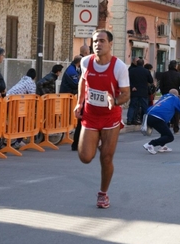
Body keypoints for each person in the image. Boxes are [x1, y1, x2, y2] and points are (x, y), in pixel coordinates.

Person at [74, 29, 130, 209]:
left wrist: (114, 101)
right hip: (90, 115)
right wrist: (79, 103)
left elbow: (126, 94)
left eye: (102, 41)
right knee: (85, 157)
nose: (98, 44)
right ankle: (99, 143)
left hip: (110, 117)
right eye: (95, 41)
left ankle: (103, 193)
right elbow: (83, 81)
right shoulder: (85, 62)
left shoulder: (119, 67)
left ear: (110, 44)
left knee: (106, 157)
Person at [143, 89, 180, 154]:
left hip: (149, 115)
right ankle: (151, 144)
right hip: (158, 117)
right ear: (177, 95)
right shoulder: (175, 98)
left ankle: (163, 146)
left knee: (166, 128)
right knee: (170, 137)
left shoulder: (164, 96)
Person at [60, 55, 82, 151]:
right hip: (67, 95)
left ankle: (73, 140)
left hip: (71, 96)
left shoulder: (75, 69)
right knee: (68, 116)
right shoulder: (71, 70)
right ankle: (73, 141)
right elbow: (75, 83)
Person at [159, 60, 180, 133]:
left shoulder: (164, 74)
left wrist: (163, 93)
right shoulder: (179, 75)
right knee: (176, 112)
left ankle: (166, 125)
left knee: (166, 110)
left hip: (166, 94)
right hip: (175, 95)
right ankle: (176, 127)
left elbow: (161, 85)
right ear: (175, 66)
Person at [126, 58, 153, 125]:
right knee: (145, 107)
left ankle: (129, 119)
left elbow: (128, 80)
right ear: (143, 64)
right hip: (143, 91)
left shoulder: (131, 71)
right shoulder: (146, 71)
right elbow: (151, 80)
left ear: (136, 63)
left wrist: (132, 87)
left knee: (132, 106)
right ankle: (146, 120)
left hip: (134, 91)